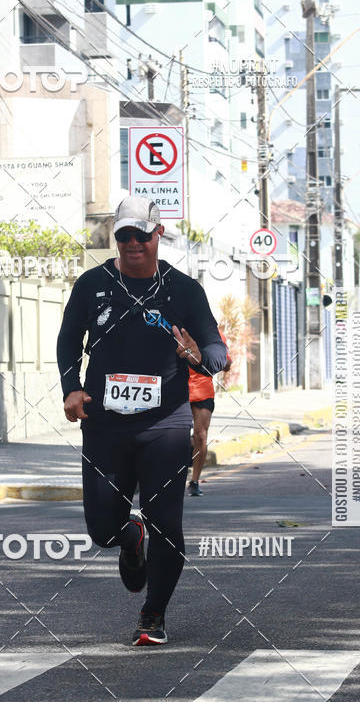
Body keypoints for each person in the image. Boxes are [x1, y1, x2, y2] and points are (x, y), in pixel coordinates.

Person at [56, 196, 227, 646]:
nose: (133, 244)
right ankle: (130, 535)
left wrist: (198, 357)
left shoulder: (185, 290)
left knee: (166, 523)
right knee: (101, 529)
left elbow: (216, 350)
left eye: (141, 235)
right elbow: (69, 340)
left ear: (158, 235)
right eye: (123, 236)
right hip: (105, 425)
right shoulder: (92, 284)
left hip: (165, 426)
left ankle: (153, 615)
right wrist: (71, 387)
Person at [187, 330, 232, 496]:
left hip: (202, 390)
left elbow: (226, 361)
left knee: (201, 435)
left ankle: (194, 481)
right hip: (177, 389)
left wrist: (226, 362)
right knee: (176, 436)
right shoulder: (173, 327)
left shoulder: (214, 334)